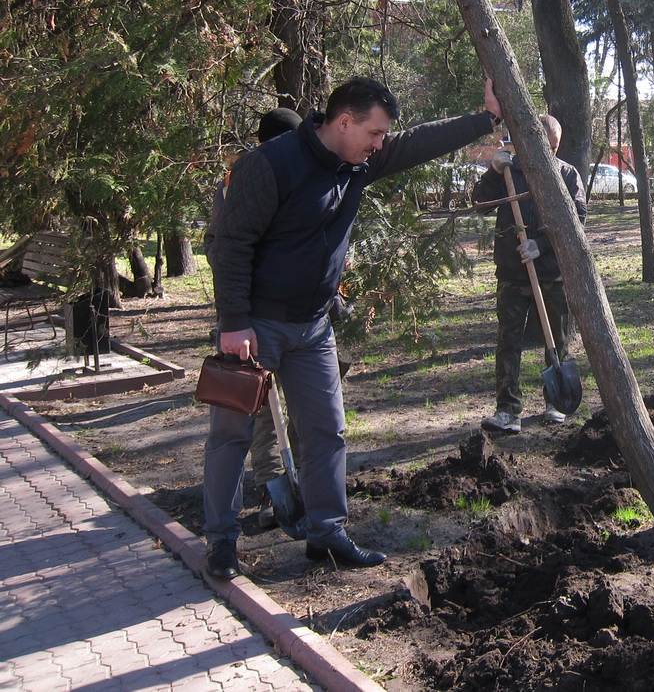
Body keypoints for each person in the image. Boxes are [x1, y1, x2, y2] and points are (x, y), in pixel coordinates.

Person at [204, 77, 504, 579]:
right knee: (230, 436)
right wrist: (234, 323)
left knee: (326, 431)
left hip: (314, 326)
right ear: (344, 122)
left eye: (382, 136)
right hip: (257, 326)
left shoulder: (357, 164)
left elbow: (418, 143)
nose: (380, 143)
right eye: (375, 132)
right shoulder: (270, 164)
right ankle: (221, 543)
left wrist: (487, 119)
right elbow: (230, 244)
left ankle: (326, 533)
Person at [205, 108, 301, 530]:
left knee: (302, 410)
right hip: (247, 318)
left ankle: (301, 483)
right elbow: (218, 245)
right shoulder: (237, 182)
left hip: (297, 317)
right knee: (257, 408)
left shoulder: (301, 174)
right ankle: (270, 488)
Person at [471, 114, 587, 434]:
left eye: (549, 147)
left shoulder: (566, 174)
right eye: (536, 144)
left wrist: (543, 244)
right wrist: (494, 172)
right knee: (508, 341)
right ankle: (508, 409)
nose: (541, 152)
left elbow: (576, 220)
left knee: (558, 338)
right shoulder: (510, 169)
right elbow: (480, 202)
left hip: (551, 273)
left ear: (556, 145)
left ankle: (554, 402)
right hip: (511, 271)